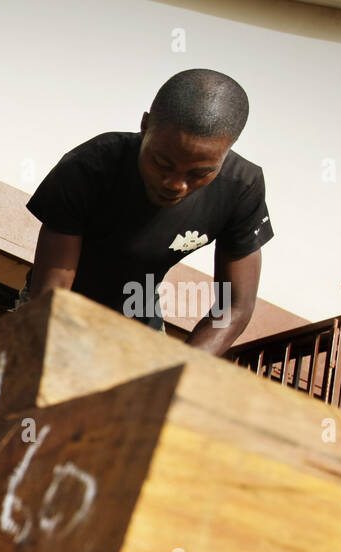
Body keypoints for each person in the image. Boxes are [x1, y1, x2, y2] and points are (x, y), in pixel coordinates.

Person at [19, 69, 272, 355]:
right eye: (162, 163)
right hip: (55, 304)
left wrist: (179, 370)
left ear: (227, 152)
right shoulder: (90, 166)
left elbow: (235, 306)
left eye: (200, 173)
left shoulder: (241, 189)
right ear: (145, 125)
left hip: (138, 314)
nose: (175, 184)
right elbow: (53, 289)